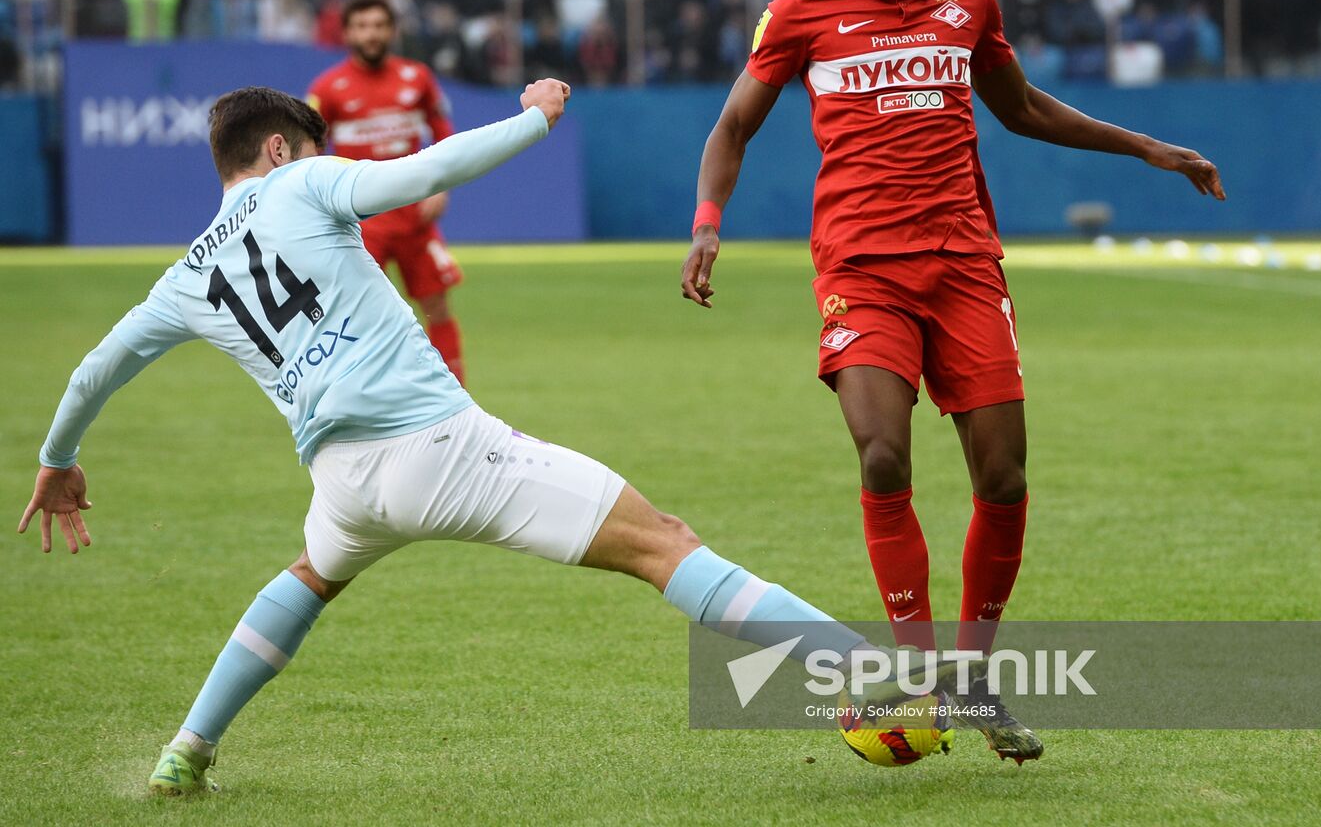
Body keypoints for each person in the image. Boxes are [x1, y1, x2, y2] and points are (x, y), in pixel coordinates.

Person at [19, 82, 968, 796]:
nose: (323, 157)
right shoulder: (302, 181)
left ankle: (187, 751)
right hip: (438, 447)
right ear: (280, 147)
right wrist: (535, 117)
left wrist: (58, 459)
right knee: (662, 543)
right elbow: (425, 173)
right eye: (314, 148)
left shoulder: (183, 277)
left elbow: (91, 370)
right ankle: (874, 678)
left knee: (310, 576)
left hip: (344, 480)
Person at [680, 0, 1226, 763]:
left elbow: (1020, 110)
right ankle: (921, 671)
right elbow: (734, 123)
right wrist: (705, 224)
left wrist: (1144, 148)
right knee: (882, 452)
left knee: (1004, 477)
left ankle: (972, 680)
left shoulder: (967, 0)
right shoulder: (804, 9)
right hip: (863, 268)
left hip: (964, 263)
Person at [307, 0, 468, 382]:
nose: (371, 34)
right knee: (354, 316)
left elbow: (443, 133)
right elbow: (306, 152)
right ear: (347, 34)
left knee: (436, 307)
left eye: (379, 25)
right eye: (362, 26)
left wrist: (439, 187)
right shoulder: (328, 88)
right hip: (361, 223)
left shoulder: (418, 78)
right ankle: (360, 396)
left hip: (415, 217)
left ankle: (458, 399)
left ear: (392, 30)